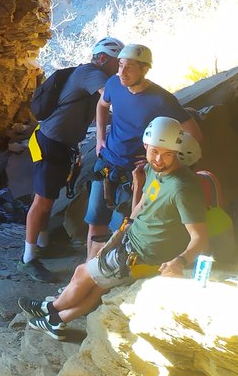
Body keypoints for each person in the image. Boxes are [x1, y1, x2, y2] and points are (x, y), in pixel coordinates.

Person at [21, 116, 209, 340]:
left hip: (142, 254)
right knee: (98, 286)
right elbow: (140, 207)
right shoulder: (152, 171)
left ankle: (50, 309)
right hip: (132, 238)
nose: (159, 159)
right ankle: (57, 322)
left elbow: (200, 238)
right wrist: (137, 187)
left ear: (176, 151)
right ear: (146, 146)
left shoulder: (182, 187)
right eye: (155, 151)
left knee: (84, 272)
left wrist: (180, 261)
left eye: (167, 153)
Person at [84, 43, 203, 258]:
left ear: (144, 69)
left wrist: (156, 161)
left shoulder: (161, 99)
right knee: (95, 223)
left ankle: (109, 278)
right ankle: (88, 270)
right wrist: (100, 137)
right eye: (120, 65)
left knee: (124, 228)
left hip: (136, 173)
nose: (122, 72)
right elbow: (102, 106)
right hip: (107, 163)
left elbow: (193, 135)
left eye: (129, 67)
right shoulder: (113, 84)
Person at [20, 36, 124, 282]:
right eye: (116, 62)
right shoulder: (91, 73)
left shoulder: (90, 76)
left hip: (59, 143)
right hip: (50, 143)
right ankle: (27, 258)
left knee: (49, 196)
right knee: (43, 201)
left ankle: (43, 243)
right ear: (101, 58)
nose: (119, 68)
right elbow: (111, 98)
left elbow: (98, 113)